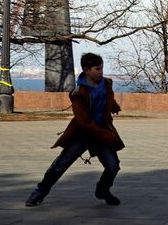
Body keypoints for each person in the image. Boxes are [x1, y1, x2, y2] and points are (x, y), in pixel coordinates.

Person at [25, 53, 125, 207]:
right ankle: (39, 192)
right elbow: (84, 122)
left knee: (113, 166)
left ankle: (103, 191)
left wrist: (114, 106)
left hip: (102, 132)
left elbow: (108, 98)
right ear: (86, 70)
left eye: (102, 68)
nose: (101, 72)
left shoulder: (106, 84)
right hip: (83, 134)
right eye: (97, 69)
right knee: (61, 165)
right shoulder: (80, 93)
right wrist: (106, 136)